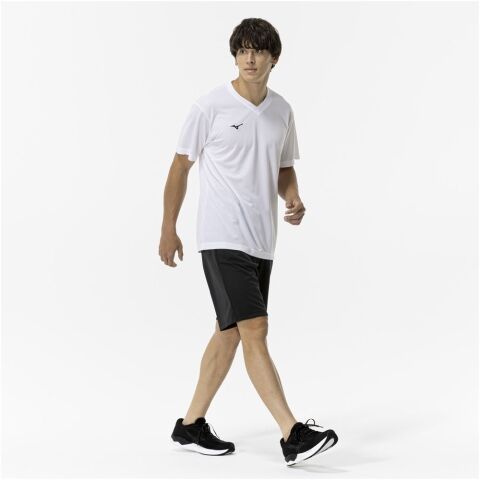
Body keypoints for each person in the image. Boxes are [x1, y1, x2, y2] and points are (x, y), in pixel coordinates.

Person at [159, 18, 338, 466]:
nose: (250, 59)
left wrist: (293, 196)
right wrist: (168, 227)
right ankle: (292, 433)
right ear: (235, 56)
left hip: (262, 241)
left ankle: (190, 425)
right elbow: (180, 166)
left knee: (229, 334)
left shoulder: (282, 111)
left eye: (258, 51)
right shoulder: (210, 107)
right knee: (255, 329)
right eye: (242, 51)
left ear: (274, 58)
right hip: (222, 237)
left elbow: (283, 167)